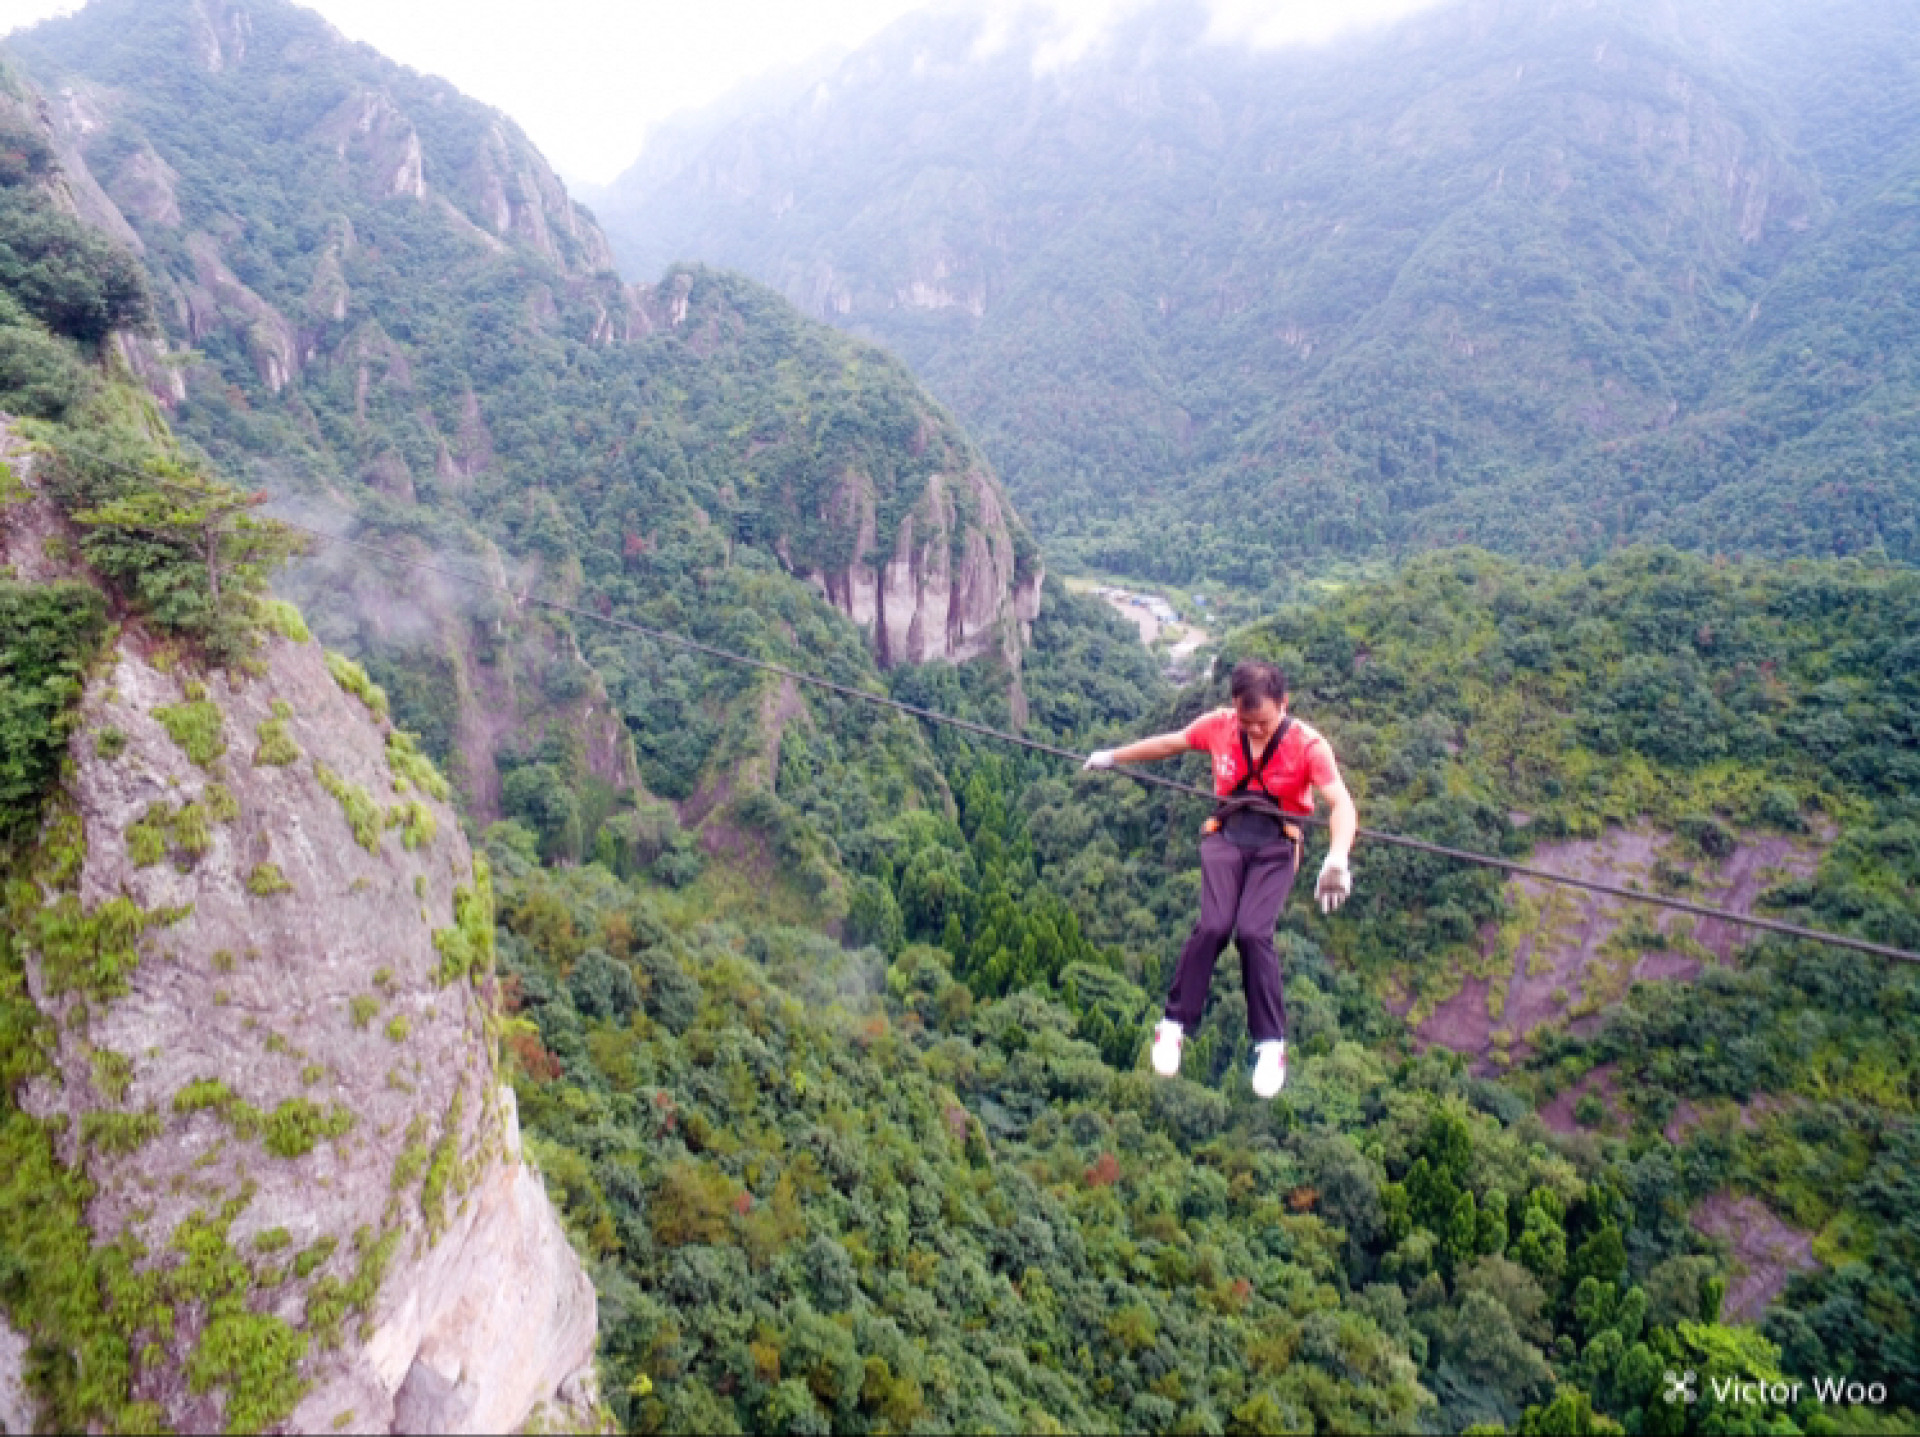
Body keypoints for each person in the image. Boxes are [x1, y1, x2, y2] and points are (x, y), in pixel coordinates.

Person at [1082, 659, 1356, 1097]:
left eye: (1264, 723)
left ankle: (1270, 1044)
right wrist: (1114, 756)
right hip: (1227, 835)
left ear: (1283, 705)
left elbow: (1341, 803)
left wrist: (1337, 857)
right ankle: (1174, 1024)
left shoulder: (1308, 746)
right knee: (1213, 925)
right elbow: (1171, 743)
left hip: (1277, 844)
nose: (1256, 732)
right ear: (1234, 708)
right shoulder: (1220, 726)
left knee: (1253, 932)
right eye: (1247, 723)